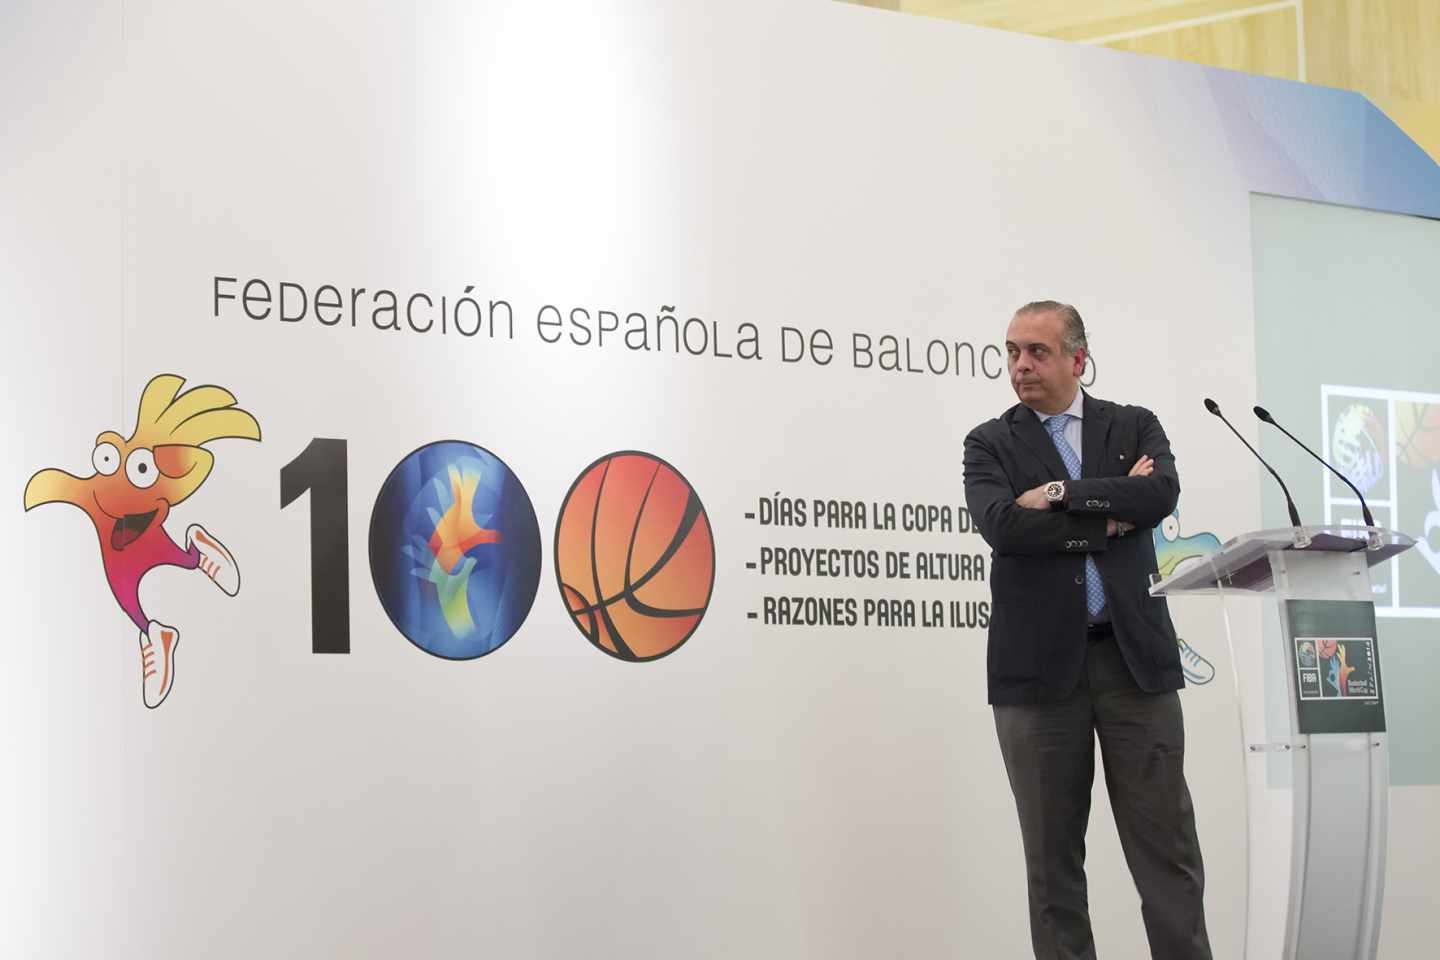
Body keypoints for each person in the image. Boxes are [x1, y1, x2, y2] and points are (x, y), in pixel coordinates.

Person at [962, 301, 1211, 959]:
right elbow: (1004, 527)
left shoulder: (1135, 425)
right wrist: (1107, 515)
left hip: (1135, 667)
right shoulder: (989, 442)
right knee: (1053, 872)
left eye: (1036, 352)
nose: (1020, 365)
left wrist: (1059, 495)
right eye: (1011, 351)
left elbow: (1158, 497)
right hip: (1039, 679)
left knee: (1169, 858)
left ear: (1078, 358)